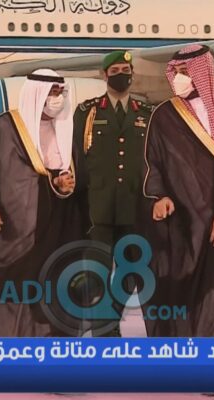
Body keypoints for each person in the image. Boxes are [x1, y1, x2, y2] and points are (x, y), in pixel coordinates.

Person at [140, 44, 214, 400]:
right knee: (182, 297)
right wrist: (159, 196)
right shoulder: (164, 114)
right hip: (180, 227)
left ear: (202, 73)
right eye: (175, 71)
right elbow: (152, 163)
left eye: (184, 71)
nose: (177, 78)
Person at [0, 69, 83, 337]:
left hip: (57, 228)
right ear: (36, 94)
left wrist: (64, 184)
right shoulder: (5, 127)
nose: (57, 98)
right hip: (14, 229)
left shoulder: (66, 128)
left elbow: (71, 175)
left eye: (60, 92)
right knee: (14, 294)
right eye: (52, 92)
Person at [72, 51, 152, 337]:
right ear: (104, 75)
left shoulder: (145, 113)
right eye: (115, 70)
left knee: (131, 273)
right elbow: (77, 156)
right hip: (99, 207)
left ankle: (110, 319)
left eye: (125, 70)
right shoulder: (88, 112)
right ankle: (104, 331)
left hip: (134, 207)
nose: (121, 75)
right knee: (98, 271)